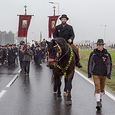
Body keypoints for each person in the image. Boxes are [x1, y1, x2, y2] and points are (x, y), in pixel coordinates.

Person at [88, 39, 112, 110]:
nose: (98, 46)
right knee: (97, 87)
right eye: (97, 45)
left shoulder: (107, 54)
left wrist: (109, 74)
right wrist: (89, 73)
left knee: (102, 88)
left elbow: (109, 64)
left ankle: (100, 99)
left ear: (103, 46)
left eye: (100, 45)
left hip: (103, 73)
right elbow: (90, 63)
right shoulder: (93, 54)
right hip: (96, 73)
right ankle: (98, 102)